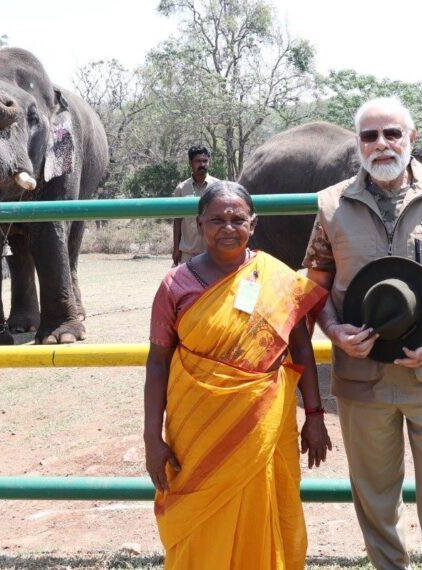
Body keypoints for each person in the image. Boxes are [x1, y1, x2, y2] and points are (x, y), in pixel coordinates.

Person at [303, 96, 422, 569]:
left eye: (392, 134)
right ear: (358, 145)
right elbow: (315, 284)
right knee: (376, 504)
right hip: (362, 380)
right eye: (370, 136)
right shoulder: (331, 205)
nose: (382, 145)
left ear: (412, 139)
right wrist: (332, 330)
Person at [145, 181, 332, 569]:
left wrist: (314, 416)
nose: (227, 228)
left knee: (266, 506)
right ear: (199, 224)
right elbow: (158, 361)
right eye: (216, 220)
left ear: (254, 224)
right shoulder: (175, 284)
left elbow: (301, 349)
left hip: (263, 422)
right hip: (195, 429)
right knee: (199, 515)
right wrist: (151, 436)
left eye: (237, 219)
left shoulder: (277, 278)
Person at [171, 145, 220, 266]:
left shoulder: (218, 186)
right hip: (188, 254)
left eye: (205, 161)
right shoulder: (181, 189)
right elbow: (177, 221)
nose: (202, 164)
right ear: (190, 163)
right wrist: (176, 249)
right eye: (198, 161)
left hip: (212, 254)